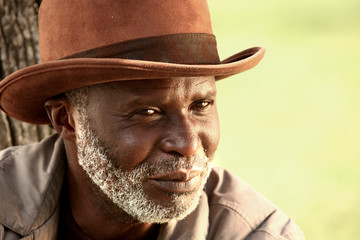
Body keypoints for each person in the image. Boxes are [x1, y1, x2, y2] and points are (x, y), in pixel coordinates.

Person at [0, 0, 305, 239]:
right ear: (67, 120)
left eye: (201, 104)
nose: (187, 145)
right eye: (148, 112)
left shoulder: (257, 234)